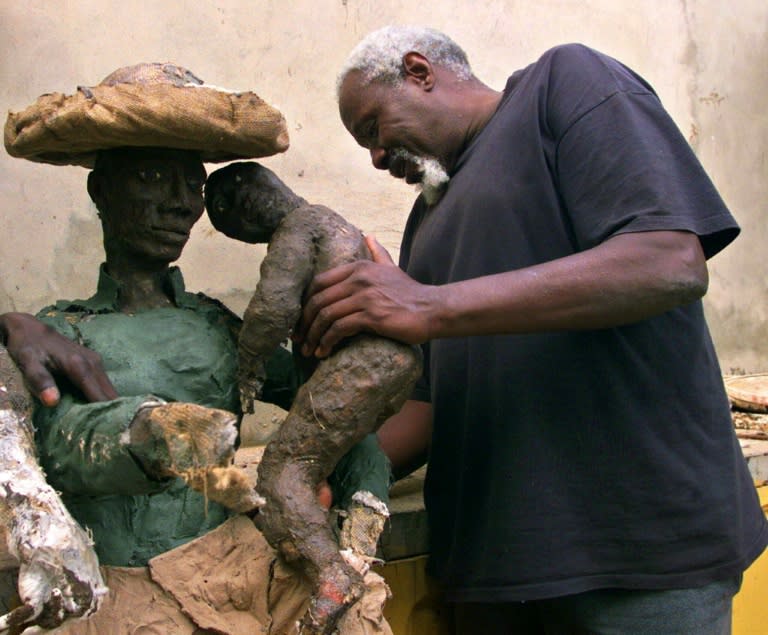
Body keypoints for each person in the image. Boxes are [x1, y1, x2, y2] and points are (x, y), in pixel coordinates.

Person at [291, 26, 768, 634]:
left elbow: (668, 261)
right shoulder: (429, 218)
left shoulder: (562, 86)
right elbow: (433, 404)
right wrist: (313, 463)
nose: (377, 158)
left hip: (637, 555)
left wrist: (427, 304)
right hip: (494, 572)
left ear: (418, 71)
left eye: (372, 129)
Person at [0, 63, 392, 635]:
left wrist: (363, 496)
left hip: (241, 571)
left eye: (193, 184)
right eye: (155, 177)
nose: (182, 204)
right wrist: (146, 434)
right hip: (128, 589)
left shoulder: (215, 325)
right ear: (100, 189)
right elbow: (61, 442)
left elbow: (327, 403)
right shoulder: (63, 332)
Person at [205, 160, 421, 633]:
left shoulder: (301, 225)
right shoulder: (336, 224)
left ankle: (331, 575)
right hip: (396, 364)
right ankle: (360, 540)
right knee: (345, 451)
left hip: (363, 364)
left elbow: (273, 306)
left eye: (224, 216)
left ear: (245, 199)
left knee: (283, 472)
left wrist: (248, 365)